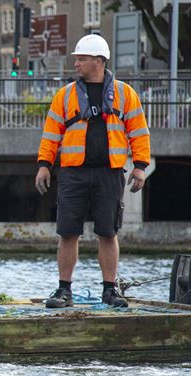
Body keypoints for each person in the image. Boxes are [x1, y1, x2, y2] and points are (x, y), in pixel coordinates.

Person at [34, 34, 151, 308]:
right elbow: (51, 134)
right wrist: (43, 165)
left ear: (99, 61)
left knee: (108, 232)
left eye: (82, 59)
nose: (77, 63)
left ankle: (110, 290)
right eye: (76, 59)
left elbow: (139, 132)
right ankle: (64, 291)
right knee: (67, 232)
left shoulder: (125, 94)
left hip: (110, 172)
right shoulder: (65, 96)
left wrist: (140, 166)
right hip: (74, 173)